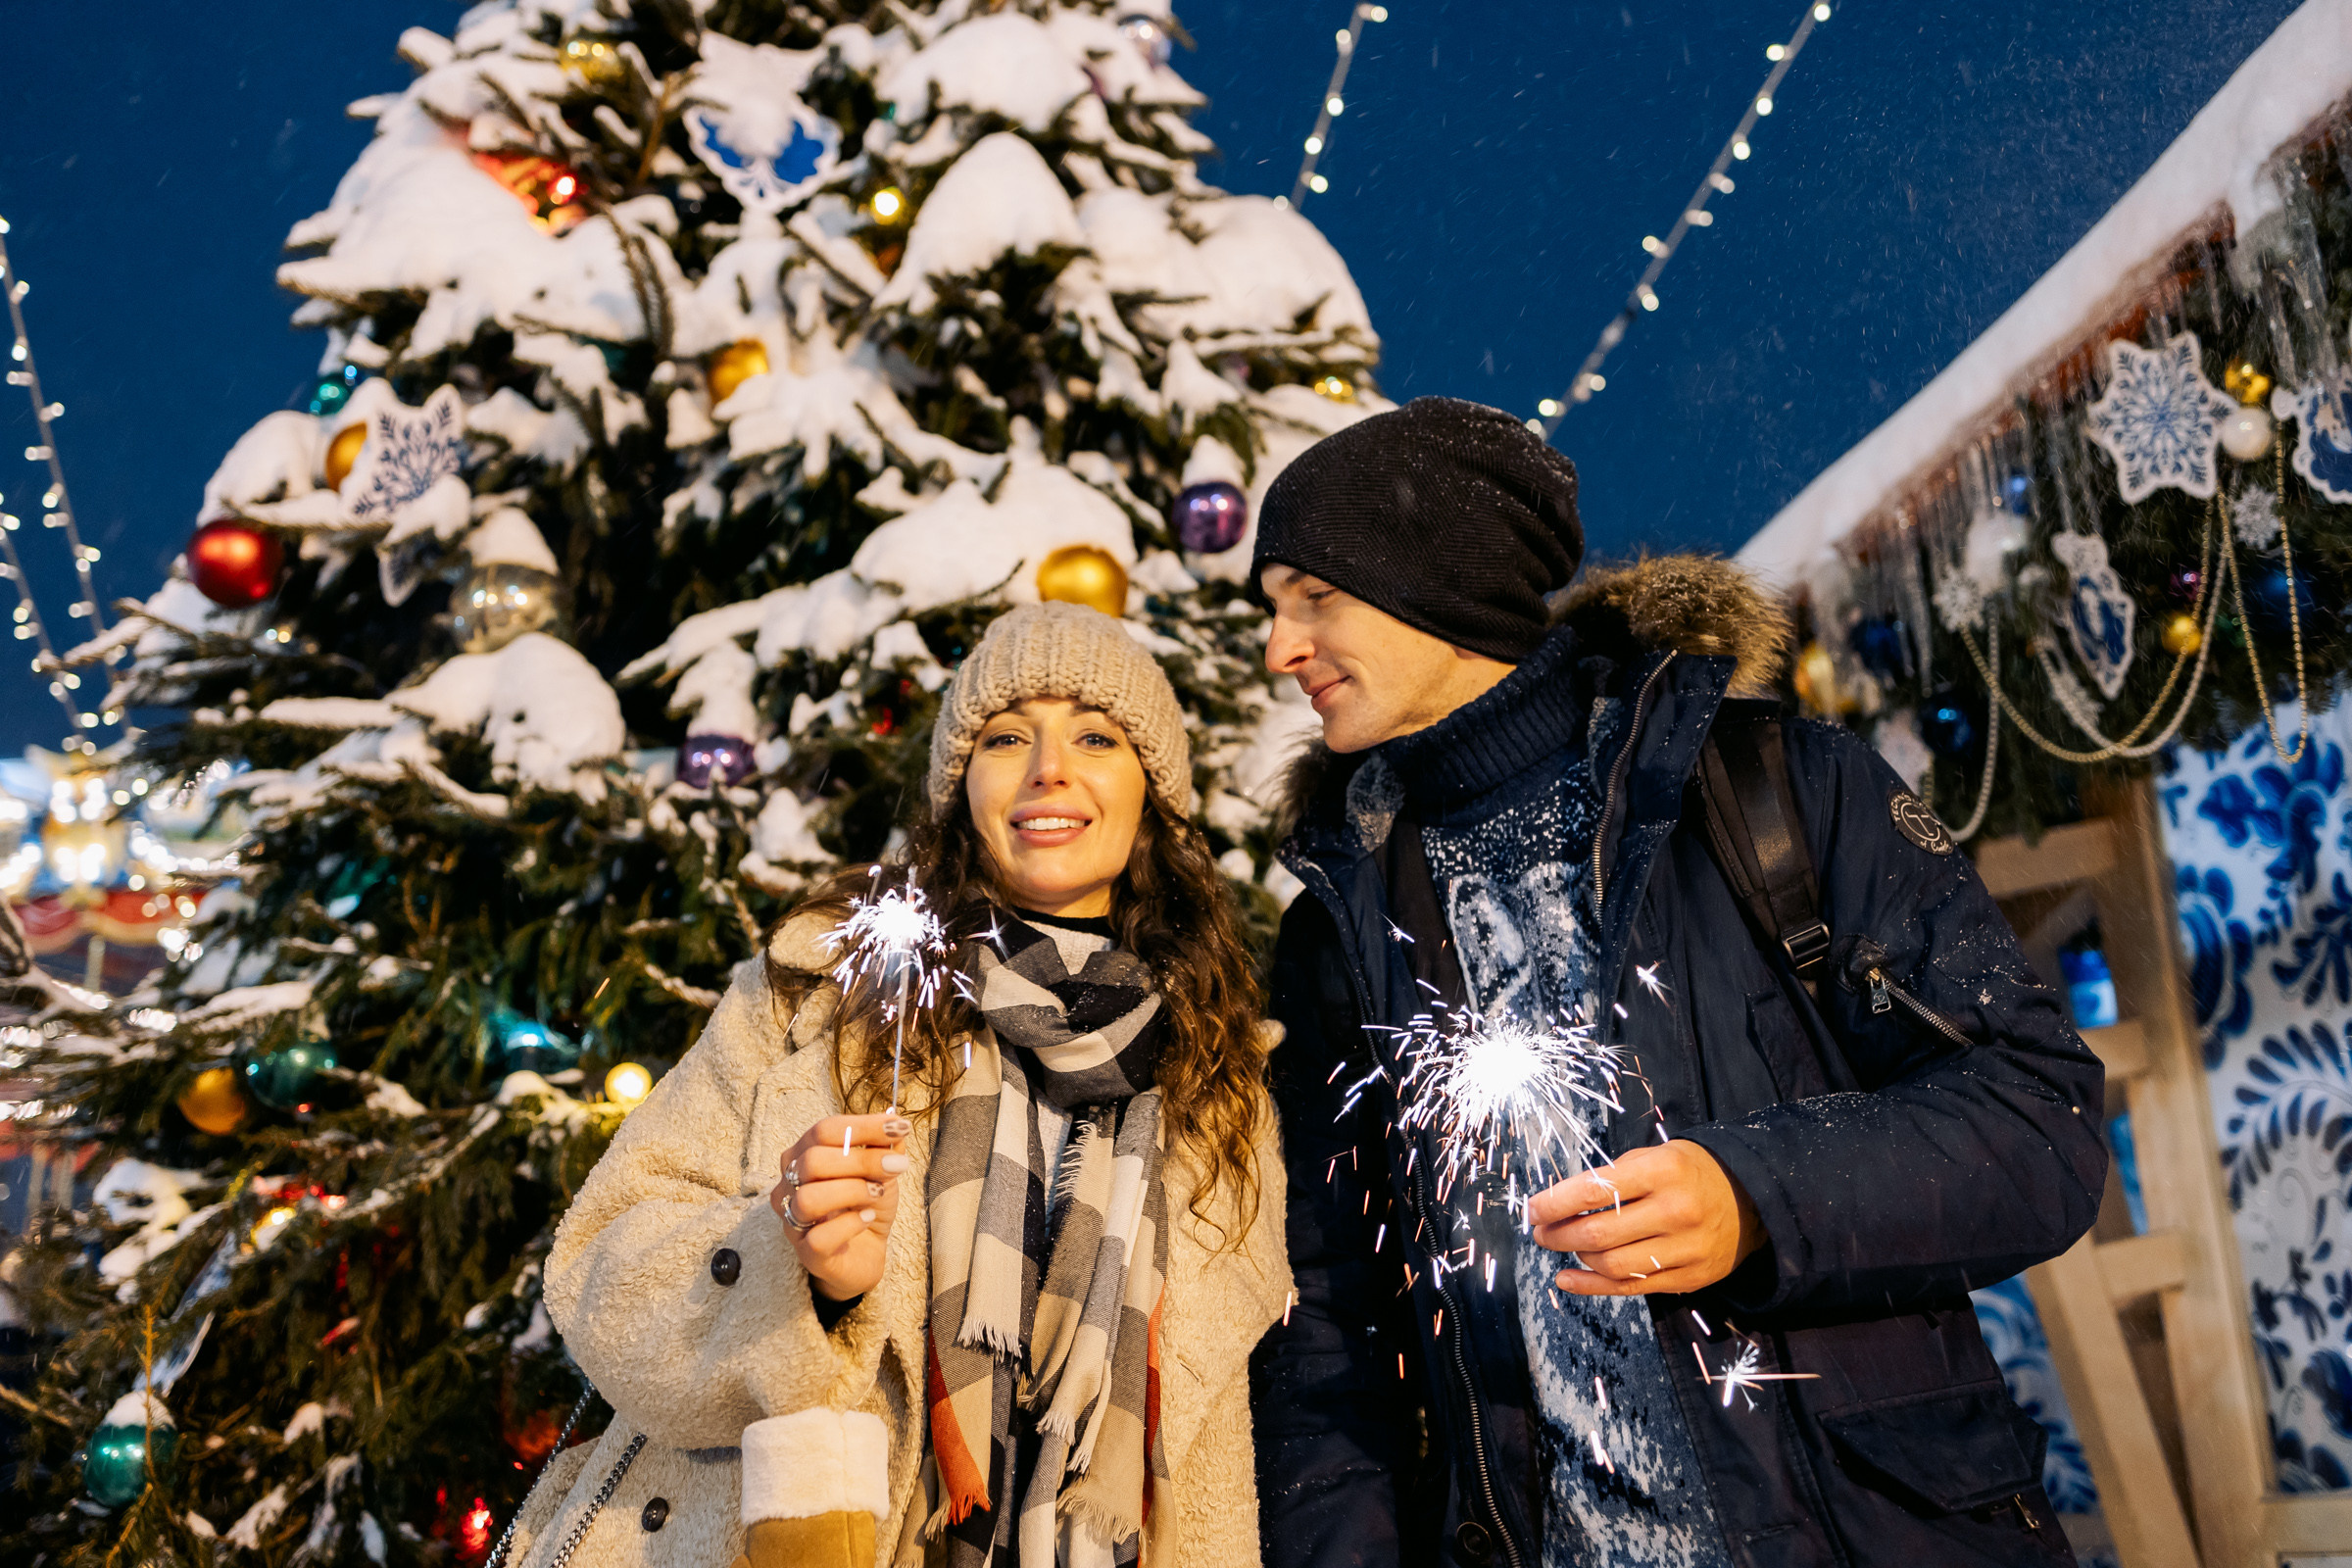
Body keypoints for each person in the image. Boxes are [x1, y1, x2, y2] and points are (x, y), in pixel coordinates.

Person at [1248, 397, 2106, 1568]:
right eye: (1272, 609)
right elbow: (1328, 1325)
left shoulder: (1779, 796)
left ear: (1440, 585)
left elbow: (2038, 1118)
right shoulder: (1341, 934)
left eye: (1315, 600)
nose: (1278, 649)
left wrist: (1754, 1196)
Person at [502, 601, 1291, 1568]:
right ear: (962, 786)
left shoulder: (1221, 1088)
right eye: (1007, 736)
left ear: (1152, 795)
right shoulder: (817, 998)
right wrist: (793, 1267)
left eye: (1096, 735)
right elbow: (597, 1273)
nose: (1050, 766)